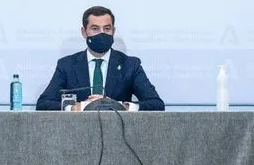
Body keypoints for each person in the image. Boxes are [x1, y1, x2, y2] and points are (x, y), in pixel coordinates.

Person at [36, 6, 164, 111]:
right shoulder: (67, 65)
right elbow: (43, 104)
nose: (102, 33)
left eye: (107, 29)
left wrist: (121, 106)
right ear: (84, 32)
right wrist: (74, 108)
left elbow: (156, 104)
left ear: (113, 31)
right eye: (95, 29)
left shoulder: (130, 65)